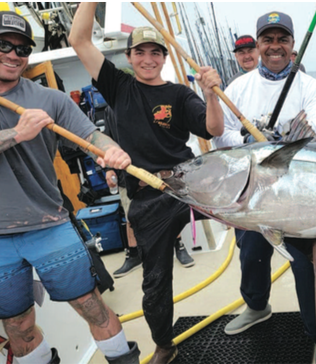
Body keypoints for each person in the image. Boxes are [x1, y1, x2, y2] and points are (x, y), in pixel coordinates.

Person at [69, 3, 224, 363]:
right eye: (140, 52)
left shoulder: (180, 95)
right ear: (129, 56)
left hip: (188, 186)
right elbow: (79, 39)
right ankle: (165, 346)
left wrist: (211, 94)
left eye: (156, 52)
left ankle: (256, 294)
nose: (148, 59)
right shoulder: (117, 85)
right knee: (155, 283)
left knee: (248, 223)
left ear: (165, 58)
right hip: (145, 197)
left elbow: (213, 130)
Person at [0, 10, 140, 364]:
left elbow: (92, 135)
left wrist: (111, 150)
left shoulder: (50, 99)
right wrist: (18, 133)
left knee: (93, 308)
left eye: (22, 49)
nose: (14, 55)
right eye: (2, 45)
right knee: (17, 325)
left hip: (51, 226)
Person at [212, 11, 316, 343]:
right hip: (253, 192)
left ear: (293, 45)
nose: (275, 46)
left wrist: (281, 138)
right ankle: (256, 306)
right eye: (268, 39)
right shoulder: (238, 88)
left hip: (299, 193)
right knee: (251, 252)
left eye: (282, 39)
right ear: (258, 45)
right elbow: (219, 135)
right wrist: (246, 142)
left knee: (303, 262)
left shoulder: (311, 88)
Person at [102, 107, 194, 279]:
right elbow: (107, 138)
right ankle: (134, 254)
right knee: (131, 215)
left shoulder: (142, 98)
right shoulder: (109, 108)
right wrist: (108, 169)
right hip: (126, 171)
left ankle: (179, 246)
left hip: (156, 167)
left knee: (169, 209)